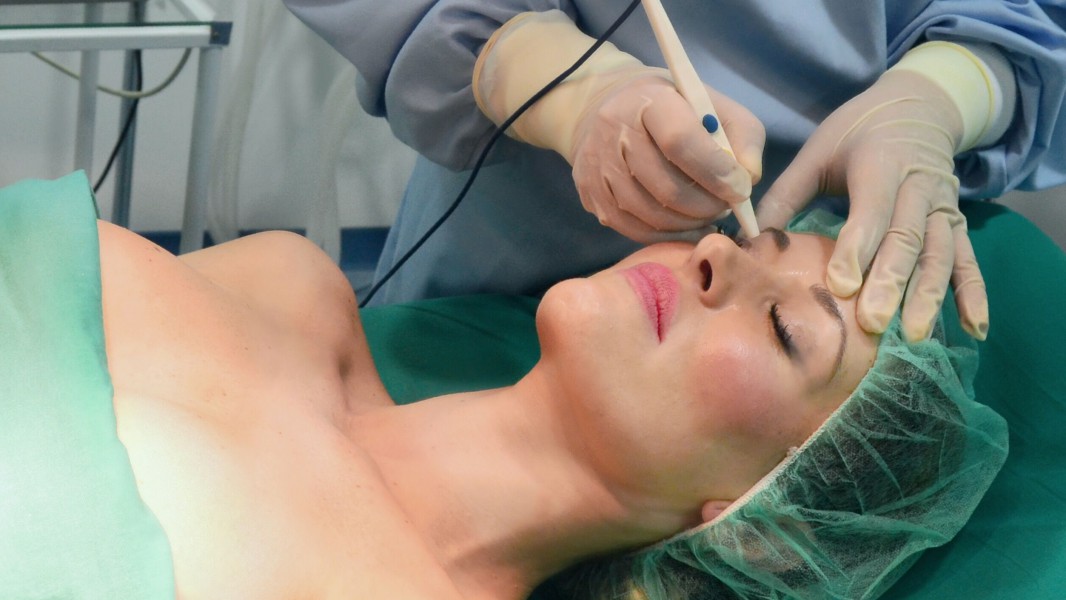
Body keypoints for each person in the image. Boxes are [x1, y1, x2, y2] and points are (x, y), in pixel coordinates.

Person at [2, 172, 1006, 599]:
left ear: (758, 528)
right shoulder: (290, 287)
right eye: (751, 240)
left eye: (787, 331)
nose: (717, 258)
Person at [283, 0, 1066, 344]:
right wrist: (545, 75)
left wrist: (949, 87)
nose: (715, 244)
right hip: (500, 257)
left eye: (785, 331)